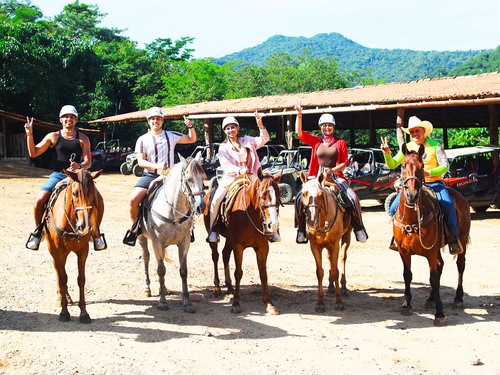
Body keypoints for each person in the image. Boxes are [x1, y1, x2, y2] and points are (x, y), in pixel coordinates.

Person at [24, 105, 106, 251]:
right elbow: (34, 153)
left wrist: (79, 165)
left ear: (76, 120)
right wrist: (29, 135)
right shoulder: (53, 136)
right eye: (66, 117)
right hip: (58, 175)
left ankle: (96, 233)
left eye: (72, 117)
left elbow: (88, 162)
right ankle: (38, 232)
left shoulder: (83, 138)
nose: (69, 119)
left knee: (98, 199)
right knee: (40, 199)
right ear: (61, 119)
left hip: (78, 176)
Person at [381, 116, 463, 254]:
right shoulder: (407, 148)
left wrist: (427, 172)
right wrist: (387, 153)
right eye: (411, 132)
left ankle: (453, 239)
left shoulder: (435, 146)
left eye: (417, 131)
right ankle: (397, 238)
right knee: (394, 207)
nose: (414, 134)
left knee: (448, 206)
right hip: (413, 185)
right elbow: (392, 164)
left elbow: (445, 166)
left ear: (424, 131)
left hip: (434, 183)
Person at [294, 101, 368, 244]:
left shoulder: (340, 143)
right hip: (315, 178)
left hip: (335, 176)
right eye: (324, 125)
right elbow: (299, 133)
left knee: (353, 197)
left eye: (330, 125)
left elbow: (345, 162)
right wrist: (299, 115)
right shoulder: (316, 141)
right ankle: (301, 229)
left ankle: (359, 227)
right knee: (299, 199)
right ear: (321, 128)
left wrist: (332, 170)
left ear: (333, 127)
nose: (327, 128)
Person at [123, 107, 196, 246]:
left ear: (162, 120)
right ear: (148, 121)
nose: (155, 121)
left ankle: (189, 228)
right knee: (133, 199)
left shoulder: (171, 135)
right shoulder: (142, 139)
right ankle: (135, 229)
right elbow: (141, 161)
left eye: (158, 118)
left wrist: (190, 126)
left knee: (190, 195)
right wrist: (157, 166)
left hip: (171, 177)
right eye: (152, 119)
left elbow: (192, 139)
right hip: (151, 175)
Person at [207, 111, 280, 243]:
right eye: (228, 128)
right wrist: (239, 170)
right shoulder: (223, 147)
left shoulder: (247, 140)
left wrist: (260, 125)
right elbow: (226, 165)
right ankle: (214, 229)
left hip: (253, 176)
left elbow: (264, 139)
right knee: (216, 198)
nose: (231, 130)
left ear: (238, 128)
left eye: (233, 127)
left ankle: (274, 230)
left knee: (269, 196)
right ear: (225, 131)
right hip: (233, 177)